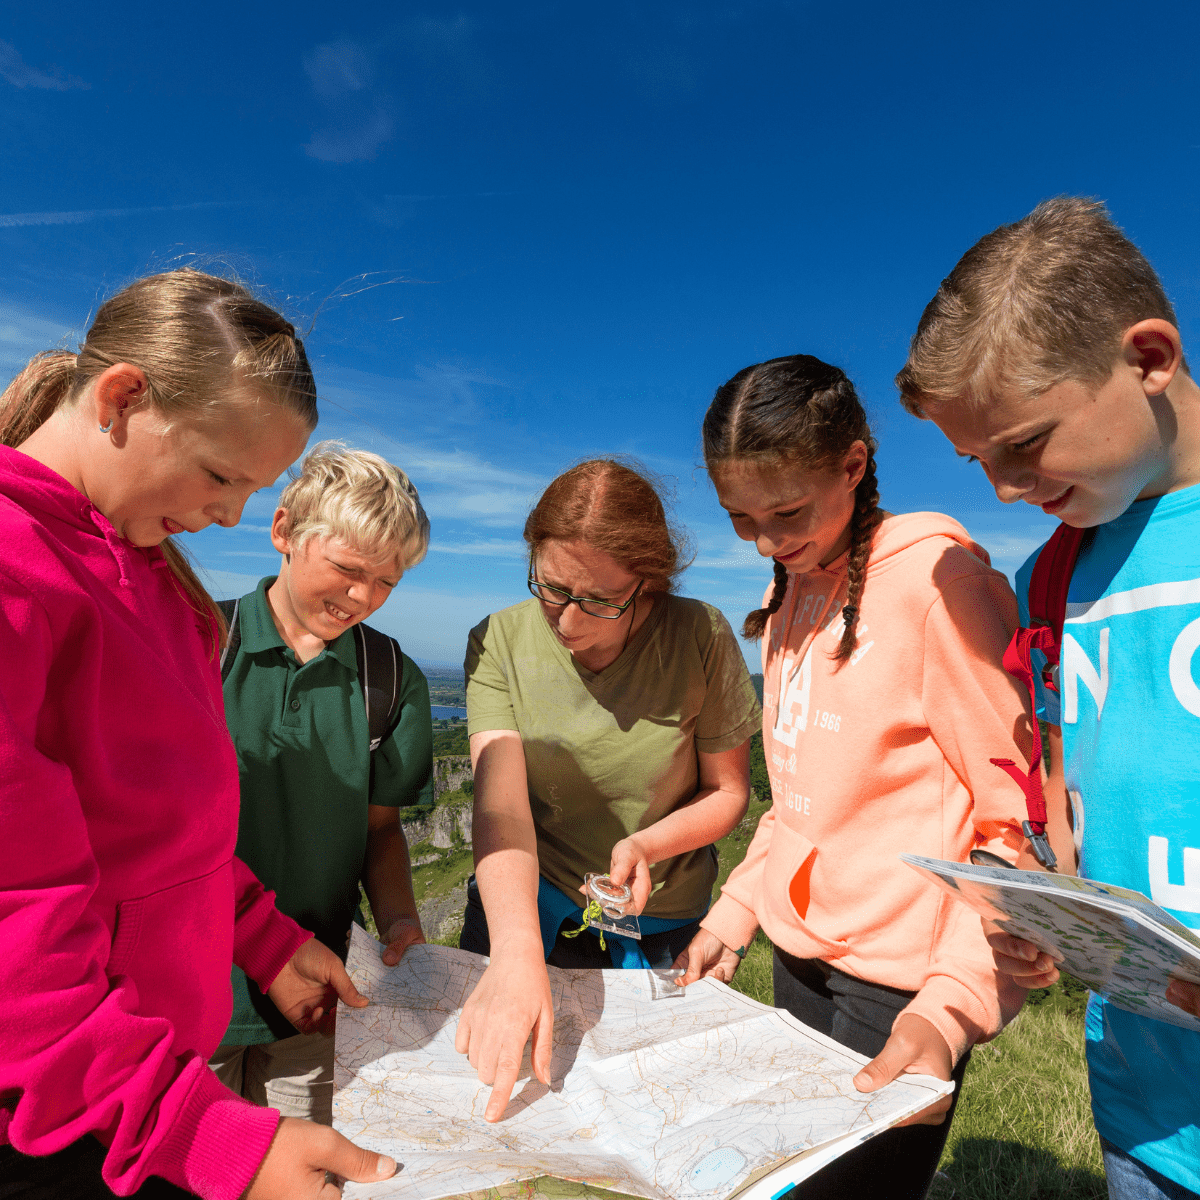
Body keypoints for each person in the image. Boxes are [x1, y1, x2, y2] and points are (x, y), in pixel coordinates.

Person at [0, 270, 397, 1199]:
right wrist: (193, 1132)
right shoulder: (19, 573)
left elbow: (162, 832)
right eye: (221, 475)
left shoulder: (163, 586)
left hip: (147, 1081)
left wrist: (260, 933)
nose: (228, 515)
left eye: (251, 489)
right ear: (123, 396)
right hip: (62, 1115)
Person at [896, 197, 1200, 1200]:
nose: (1006, 490)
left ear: (1149, 357)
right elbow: (1068, 792)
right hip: (1144, 1117)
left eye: (1025, 444)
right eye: (980, 463)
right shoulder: (1049, 586)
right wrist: (1041, 903)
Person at [677, 354, 1032, 1200]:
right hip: (798, 957)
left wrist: (953, 1003)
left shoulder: (938, 586)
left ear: (855, 463)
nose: (767, 542)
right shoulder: (789, 597)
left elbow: (1012, 818)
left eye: (788, 512)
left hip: (905, 983)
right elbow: (800, 798)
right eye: (741, 520)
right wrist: (736, 915)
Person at [453, 459, 762, 1121]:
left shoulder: (701, 637)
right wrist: (513, 953)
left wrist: (649, 843)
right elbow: (501, 805)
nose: (565, 621)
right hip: (524, 911)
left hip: (663, 926)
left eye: (597, 600)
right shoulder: (500, 642)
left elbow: (728, 791)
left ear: (647, 583)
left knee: (648, 1115)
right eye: (550, 587)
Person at [209, 442, 433, 1126]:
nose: (363, 597)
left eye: (388, 581)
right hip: (187, 995)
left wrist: (398, 920)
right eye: (347, 569)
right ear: (283, 531)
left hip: (319, 995)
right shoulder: (196, 640)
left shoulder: (389, 680)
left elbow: (380, 827)